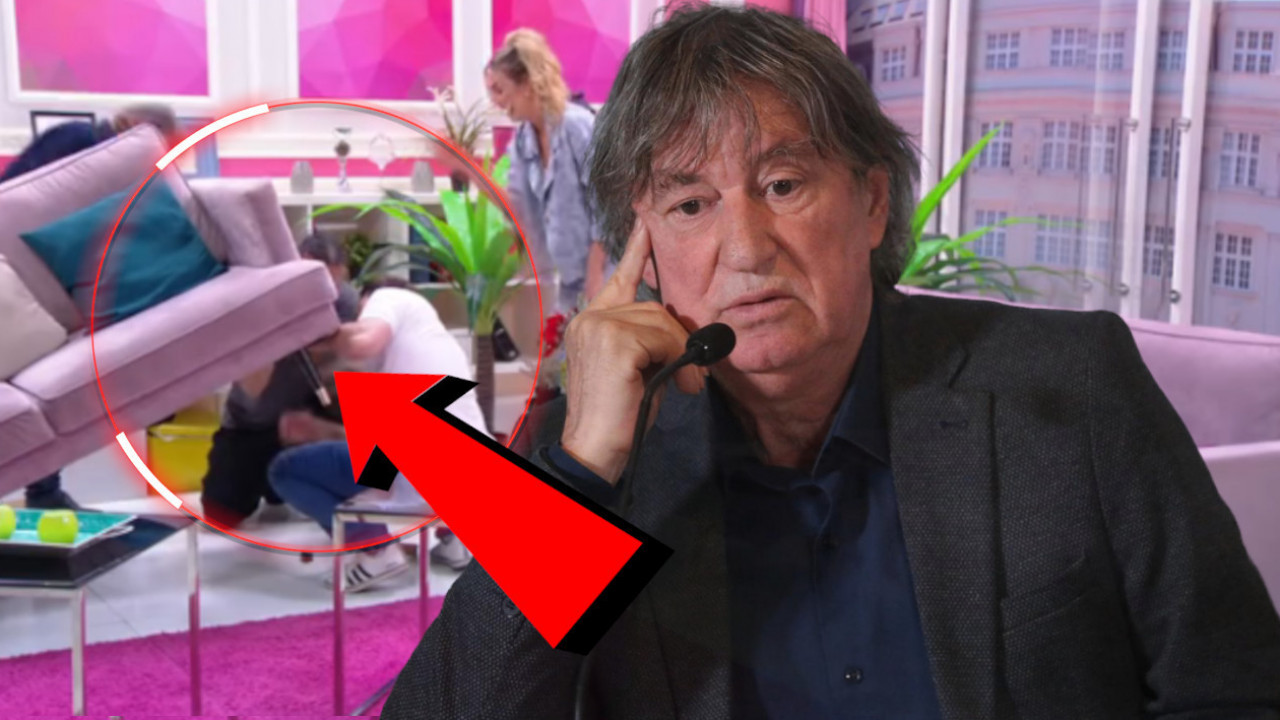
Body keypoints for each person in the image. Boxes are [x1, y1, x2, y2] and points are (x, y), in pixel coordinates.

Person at [383, 7, 1280, 719]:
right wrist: (582, 475)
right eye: (691, 205)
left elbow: (1235, 689)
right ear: (643, 255)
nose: (746, 248)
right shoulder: (598, 451)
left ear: (873, 203)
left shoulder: (1072, 388)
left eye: (783, 185)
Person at [1, 103, 179, 510]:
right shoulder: (83, 144)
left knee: (44, 388)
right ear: (136, 128)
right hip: (19, 278)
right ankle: (44, 491)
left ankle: (44, 490)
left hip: (38, 279)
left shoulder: (89, 148)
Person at [269, 281, 488, 589]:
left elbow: (363, 342)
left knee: (286, 469)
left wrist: (322, 333)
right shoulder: (437, 346)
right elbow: (381, 451)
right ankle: (458, 539)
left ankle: (374, 551)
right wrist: (320, 430)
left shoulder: (391, 296)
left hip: (419, 476)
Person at [199, 233, 360, 528]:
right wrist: (275, 331)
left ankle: (294, 483)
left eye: (333, 286)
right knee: (220, 513)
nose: (326, 297)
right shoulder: (259, 305)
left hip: (309, 411)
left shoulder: (345, 301)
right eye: (316, 286)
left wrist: (323, 427)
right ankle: (272, 486)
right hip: (252, 422)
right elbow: (252, 391)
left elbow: (343, 359)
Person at [485, 28, 610, 313]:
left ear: (527, 84)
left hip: (602, 275)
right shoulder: (523, 140)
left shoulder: (577, 127)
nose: (497, 102)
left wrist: (595, 278)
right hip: (568, 282)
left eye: (500, 90)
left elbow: (607, 206)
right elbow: (519, 208)